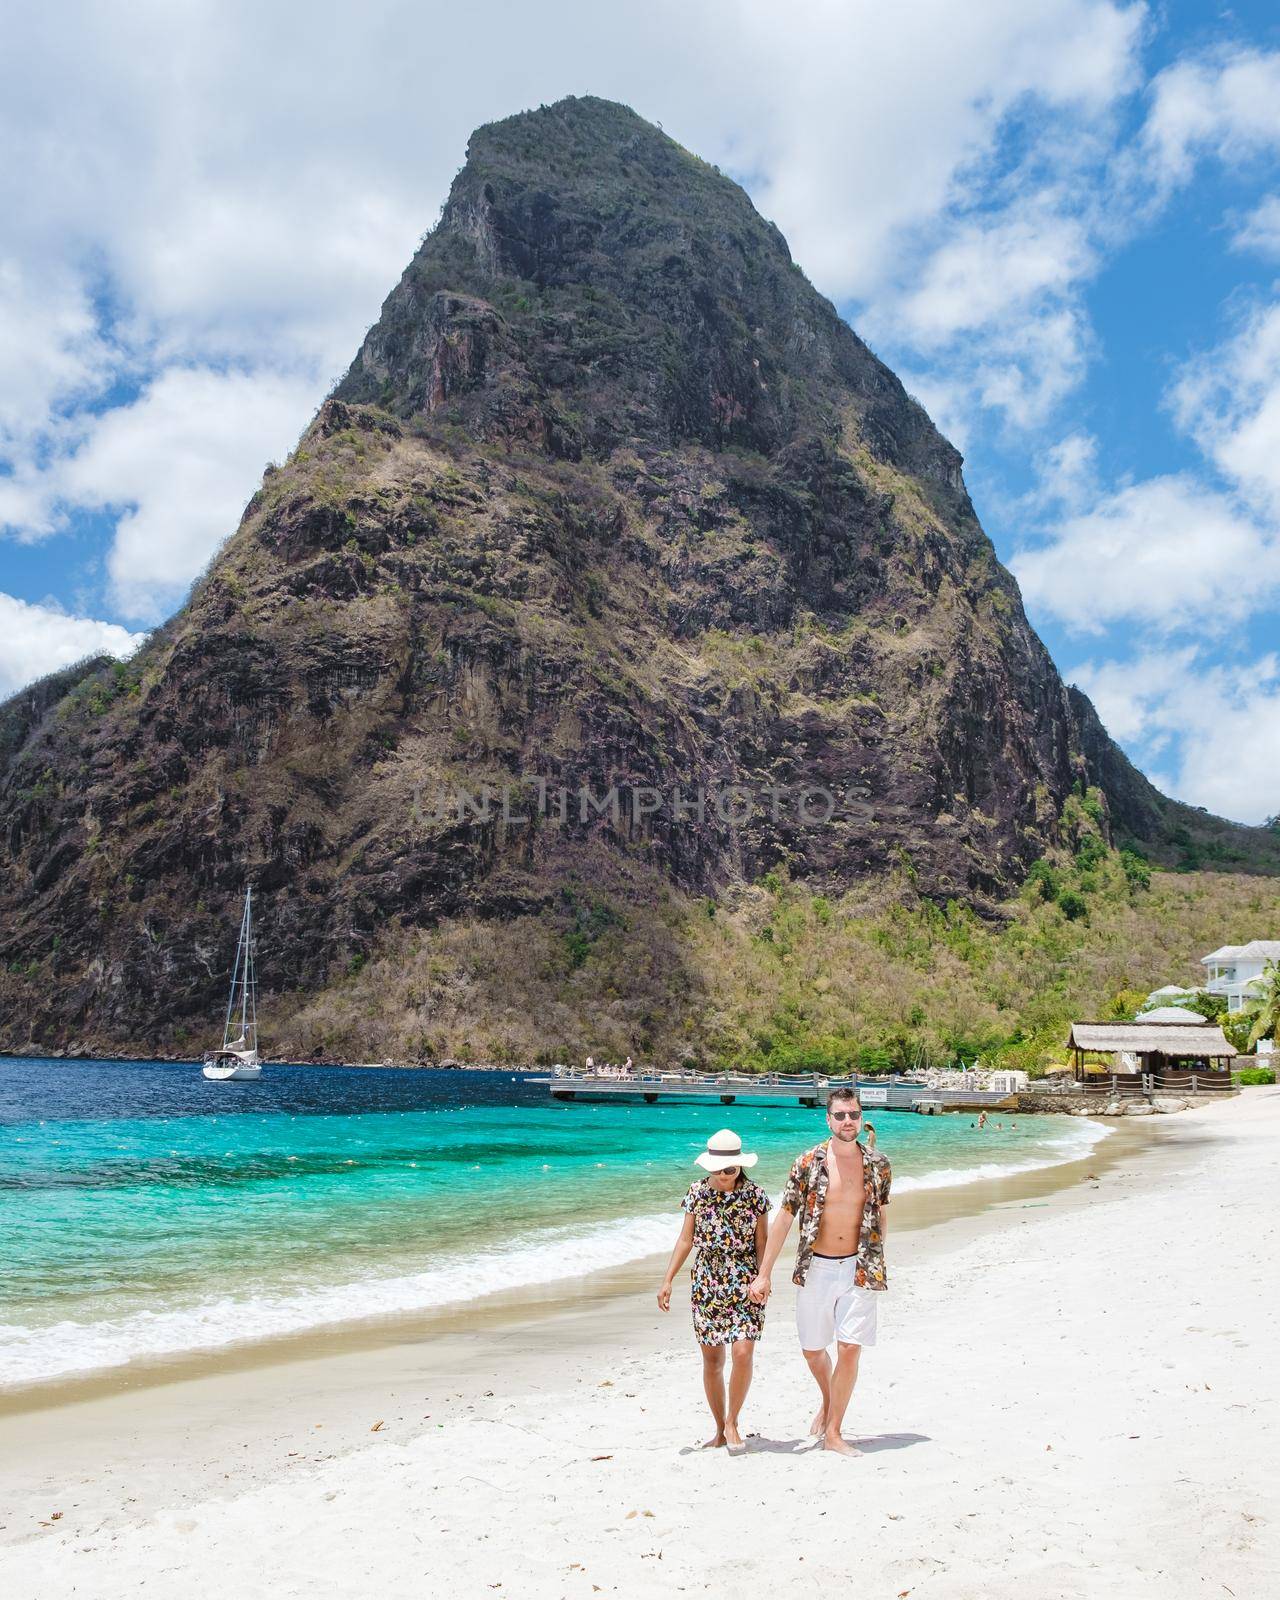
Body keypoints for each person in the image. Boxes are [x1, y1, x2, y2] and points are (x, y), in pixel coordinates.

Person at [748, 1087, 891, 1457]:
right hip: (817, 1268)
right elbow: (783, 1218)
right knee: (813, 1351)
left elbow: (880, 1214)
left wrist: (879, 1257)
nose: (848, 1121)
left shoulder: (879, 1164)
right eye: (840, 1115)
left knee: (849, 1349)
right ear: (828, 1119)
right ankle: (829, 1402)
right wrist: (764, 1273)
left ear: (861, 1118)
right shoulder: (807, 1162)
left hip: (859, 1267)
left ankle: (834, 1432)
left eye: (854, 1115)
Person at [658, 1128, 771, 1455]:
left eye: (730, 1170)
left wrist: (763, 1277)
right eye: (717, 1170)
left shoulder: (755, 1195)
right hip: (707, 1282)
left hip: (745, 1279)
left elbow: (762, 1241)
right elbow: (685, 1240)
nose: (723, 1175)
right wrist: (667, 1280)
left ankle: (733, 1421)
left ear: (740, 1166)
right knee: (713, 1361)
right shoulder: (696, 1193)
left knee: (742, 1352)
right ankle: (719, 1429)